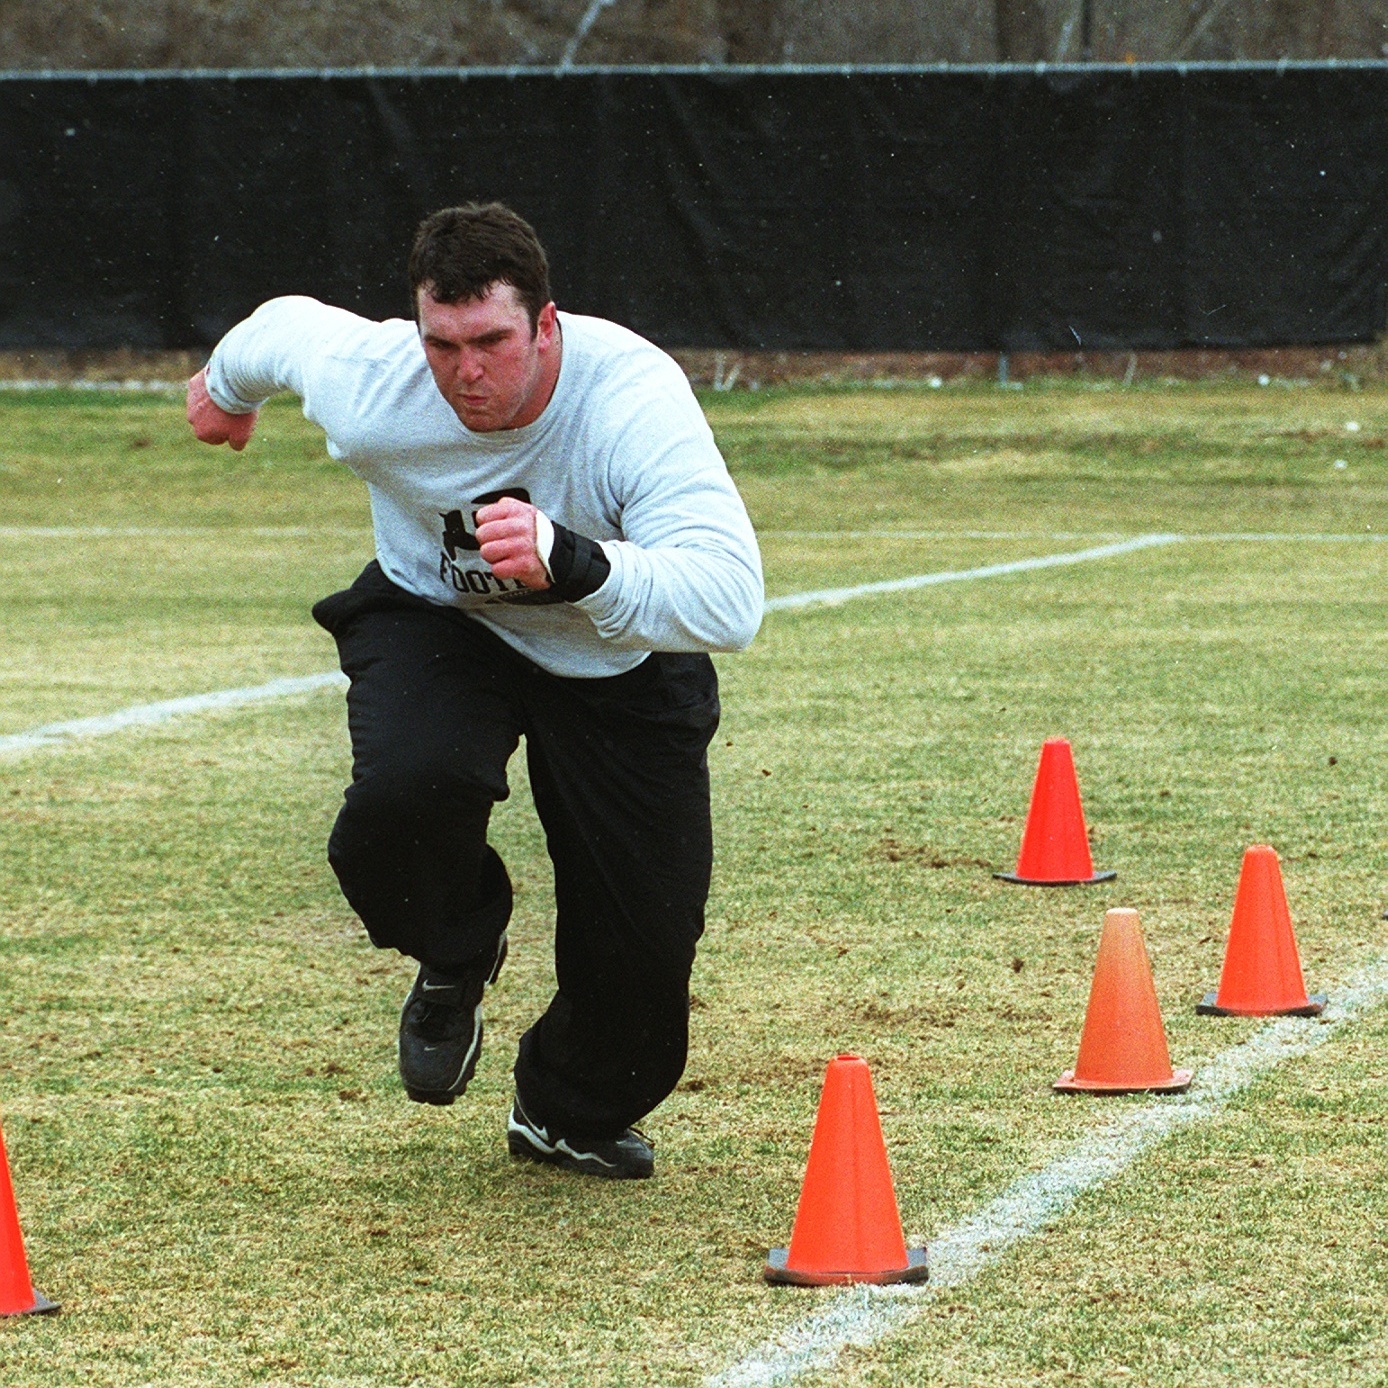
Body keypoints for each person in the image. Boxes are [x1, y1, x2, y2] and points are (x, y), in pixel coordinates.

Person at [185, 202, 763, 1179]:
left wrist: (577, 564)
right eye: (442, 344)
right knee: (400, 797)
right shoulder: (375, 383)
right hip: (440, 619)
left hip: (612, 649)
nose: (467, 372)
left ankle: (565, 1108)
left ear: (546, 326)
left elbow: (729, 599)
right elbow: (280, 328)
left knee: (643, 954)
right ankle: (455, 948)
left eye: (492, 340)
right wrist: (221, 387)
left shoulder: (630, 396)